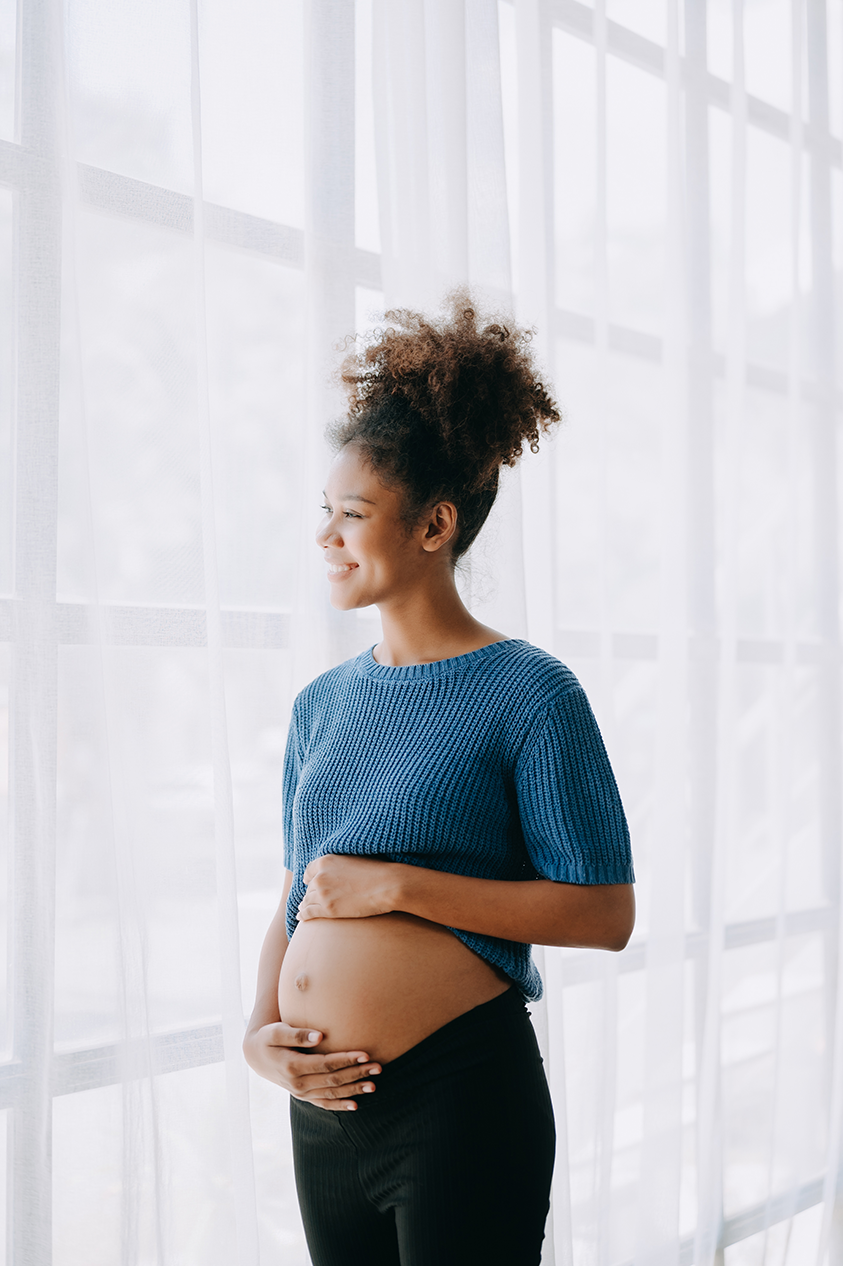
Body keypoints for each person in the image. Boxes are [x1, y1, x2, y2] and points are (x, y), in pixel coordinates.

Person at [243, 293, 635, 1266]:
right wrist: (259, 1035)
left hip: (459, 1095)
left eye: (352, 515)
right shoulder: (320, 704)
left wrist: (401, 886)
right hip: (325, 1115)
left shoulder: (530, 693)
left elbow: (604, 912)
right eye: (323, 514)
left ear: (434, 525)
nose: (326, 537)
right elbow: (296, 894)